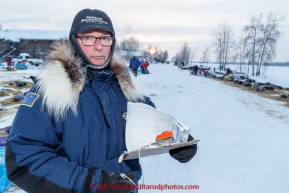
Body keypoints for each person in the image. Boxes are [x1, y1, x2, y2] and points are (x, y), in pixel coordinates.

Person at [5, 9, 197, 193]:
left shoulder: (124, 87)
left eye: (105, 38)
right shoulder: (52, 90)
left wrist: (177, 139)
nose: (99, 46)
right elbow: (24, 156)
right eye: (88, 38)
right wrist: (90, 182)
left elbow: (151, 124)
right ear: (74, 41)